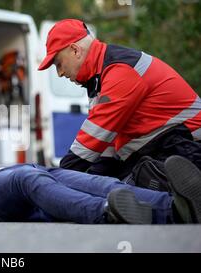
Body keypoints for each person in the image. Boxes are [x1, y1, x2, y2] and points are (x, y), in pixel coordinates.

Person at [37, 19, 201, 188]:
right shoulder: (99, 80)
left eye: (59, 64)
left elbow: (89, 143)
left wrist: (56, 182)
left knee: (134, 194)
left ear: (75, 50)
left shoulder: (119, 70)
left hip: (187, 148)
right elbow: (106, 151)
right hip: (167, 148)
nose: (59, 73)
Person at [0, 155, 201, 225]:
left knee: (96, 183)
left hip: (11, 176)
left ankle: (173, 207)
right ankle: (107, 215)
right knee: (28, 179)